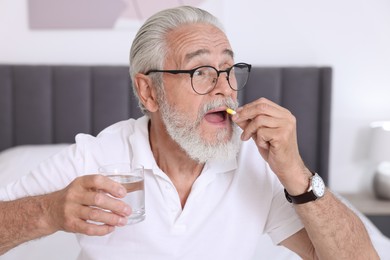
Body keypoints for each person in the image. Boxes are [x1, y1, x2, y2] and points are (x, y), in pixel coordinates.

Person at [0, 6, 378, 260]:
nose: (224, 88)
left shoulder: (256, 164)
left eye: (228, 70)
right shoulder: (95, 158)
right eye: (200, 72)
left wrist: (296, 173)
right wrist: (49, 212)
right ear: (149, 92)